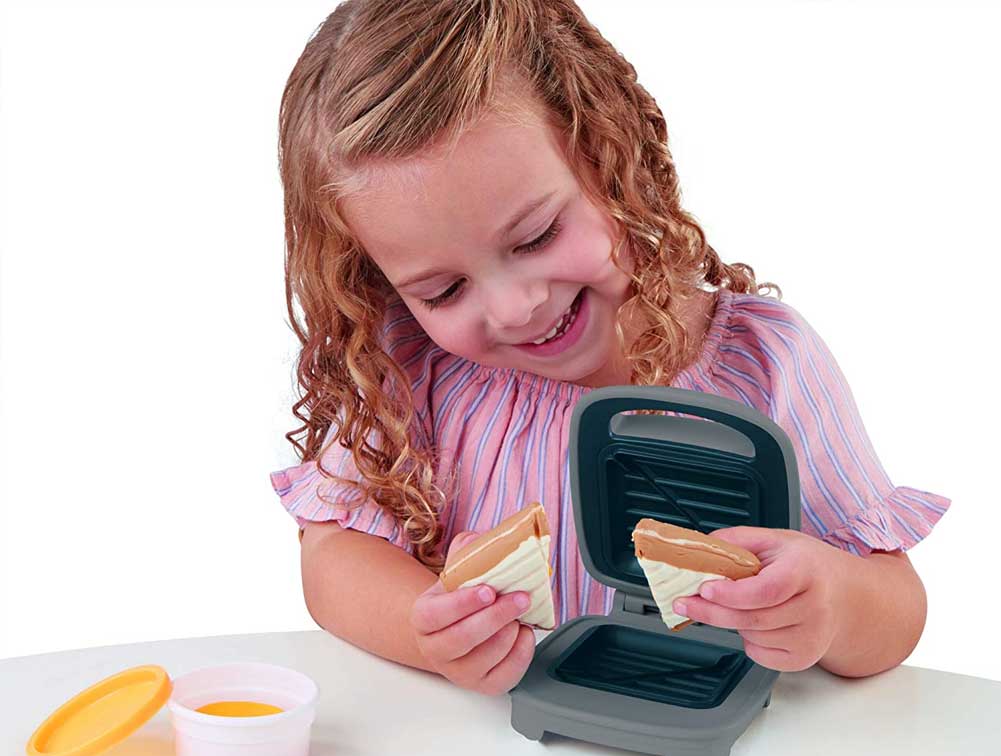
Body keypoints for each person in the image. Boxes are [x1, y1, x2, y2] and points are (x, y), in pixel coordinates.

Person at [270, 0, 949, 693]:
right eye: (443, 290)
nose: (514, 307)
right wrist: (426, 627)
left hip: (710, 744)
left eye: (535, 237)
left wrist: (830, 602)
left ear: (606, 152)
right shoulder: (413, 367)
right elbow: (332, 557)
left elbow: (895, 604)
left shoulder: (767, 366)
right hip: (495, 752)